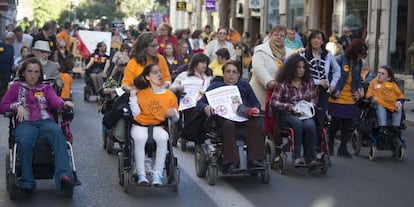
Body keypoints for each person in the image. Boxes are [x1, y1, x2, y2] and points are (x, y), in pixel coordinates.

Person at [0, 58, 74, 191]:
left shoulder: (46, 88)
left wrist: (64, 104)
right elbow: (2, 106)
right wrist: (16, 106)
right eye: (29, 71)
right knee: (24, 141)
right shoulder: (15, 87)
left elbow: (55, 101)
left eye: (36, 72)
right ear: (23, 73)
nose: (33, 75)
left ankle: (64, 175)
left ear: (40, 74)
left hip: (45, 122)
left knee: (57, 133)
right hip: (25, 123)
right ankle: (27, 180)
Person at [196, 60, 265, 171]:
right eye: (228, 72)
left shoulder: (244, 86)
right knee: (228, 124)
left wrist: (255, 108)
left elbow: (255, 102)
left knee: (255, 123)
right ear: (223, 74)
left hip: (243, 117)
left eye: (234, 72)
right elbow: (200, 103)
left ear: (238, 75)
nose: (231, 74)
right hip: (223, 120)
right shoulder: (215, 86)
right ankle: (231, 162)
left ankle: (255, 160)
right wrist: (205, 107)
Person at [129, 63, 179, 185]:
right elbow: (135, 113)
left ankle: (157, 174)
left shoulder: (170, 95)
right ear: (147, 77)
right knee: (140, 138)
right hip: (140, 126)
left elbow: (176, 119)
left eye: (160, 72)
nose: (159, 75)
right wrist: (133, 98)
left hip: (158, 126)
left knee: (163, 138)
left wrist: (173, 113)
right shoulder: (141, 93)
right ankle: (141, 174)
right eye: (155, 72)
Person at [269, 53, 320, 166]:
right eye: (298, 67)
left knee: (310, 125)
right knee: (296, 123)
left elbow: (314, 99)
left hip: (304, 112)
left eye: (303, 67)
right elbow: (274, 102)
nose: (301, 70)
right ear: (292, 68)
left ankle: (311, 158)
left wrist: (308, 106)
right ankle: (296, 157)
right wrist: (289, 107)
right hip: (287, 114)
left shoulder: (308, 82)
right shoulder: (283, 84)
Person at [328, 39, 367, 158]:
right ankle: (329, 145)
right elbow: (330, 73)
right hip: (337, 95)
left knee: (347, 123)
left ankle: (343, 148)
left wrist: (360, 89)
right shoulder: (340, 58)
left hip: (350, 96)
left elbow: (358, 78)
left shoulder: (359, 63)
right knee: (335, 121)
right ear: (355, 51)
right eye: (361, 53)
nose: (361, 56)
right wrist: (331, 87)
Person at [301, 29, 341, 128]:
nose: (316, 40)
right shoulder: (303, 55)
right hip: (307, 91)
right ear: (310, 40)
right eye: (313, 38)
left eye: (319, 38)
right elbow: (300, 75)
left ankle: (318, 142)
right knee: (308, 118)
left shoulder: (328, 55)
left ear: (322, 41)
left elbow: (337, 70)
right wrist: (318, 81)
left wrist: (332, 84)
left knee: (320, 119)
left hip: (323, 92)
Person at [249, 24, 293, 110]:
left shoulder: (290, 53)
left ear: (285, 38)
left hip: (281, 94)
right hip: (261, 92)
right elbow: (259, 68)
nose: (278, 37)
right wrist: (269, 82)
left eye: (281, 35)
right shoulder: (260, 50)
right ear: (270, 35)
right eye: (276, 34)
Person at [366, 65, 404, 130]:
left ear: (388, 78)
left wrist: (399, 102)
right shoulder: (373, 82)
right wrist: (372, 98)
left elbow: (400, 95)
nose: (379, 75)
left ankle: (396, 127)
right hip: (379, 103)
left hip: (392, 104)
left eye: (383, 74)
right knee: (380, 107)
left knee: (398, 107)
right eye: (379, 72)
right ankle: (382, 127)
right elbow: (368, 94)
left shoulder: (392, 84)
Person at [0, 32, 15, 99]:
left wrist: (12, 66)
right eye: (13, 39)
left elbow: (11, 59)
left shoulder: (11, 48)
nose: (14, 41)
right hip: (1, 69)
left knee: (4, 87)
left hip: (7, 71)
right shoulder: (1, 45)